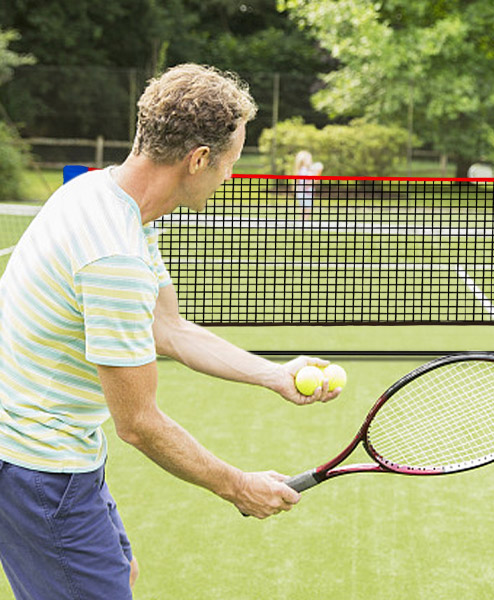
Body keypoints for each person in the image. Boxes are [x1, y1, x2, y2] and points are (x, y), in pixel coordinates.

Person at [0, 64, 340, 600]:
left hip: (50, 452)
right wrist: (239, 485)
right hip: (38, 467)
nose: (229, 174)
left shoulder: (101, 195)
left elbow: (169, 329)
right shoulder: (115, 258)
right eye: (230, 161)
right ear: (198, 159)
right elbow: (138, 423)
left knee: (120, 573)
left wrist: (276, 374)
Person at [293, 151, 323, 220]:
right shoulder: (304, 170)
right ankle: (303, 222)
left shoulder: (307, 170)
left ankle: (303, 221)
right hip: (305, 192)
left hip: (307, 192)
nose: (311, 160)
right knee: (306, 209)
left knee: (306, 209)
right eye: (309, 159)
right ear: (304, 160)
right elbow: (306, 182)